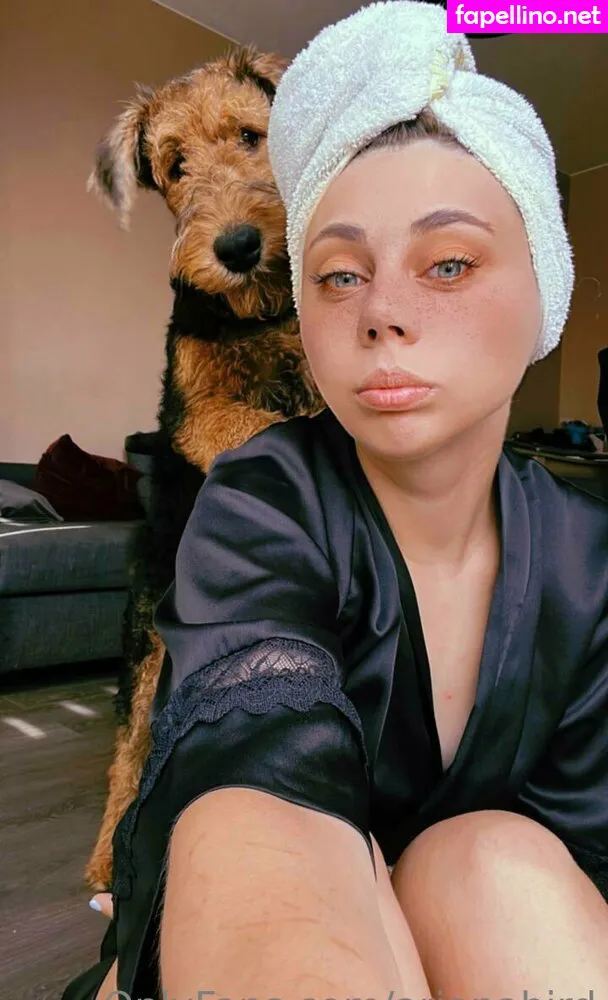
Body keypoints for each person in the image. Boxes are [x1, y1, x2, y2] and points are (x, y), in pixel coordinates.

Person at [64, 3, 608, 998]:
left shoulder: (589, 558)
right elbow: (252, 763)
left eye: (449, 262)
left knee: (491, 861)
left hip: (503, 888)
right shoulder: (260, 495)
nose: (382, 312)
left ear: (548, 282)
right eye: (339, 273)